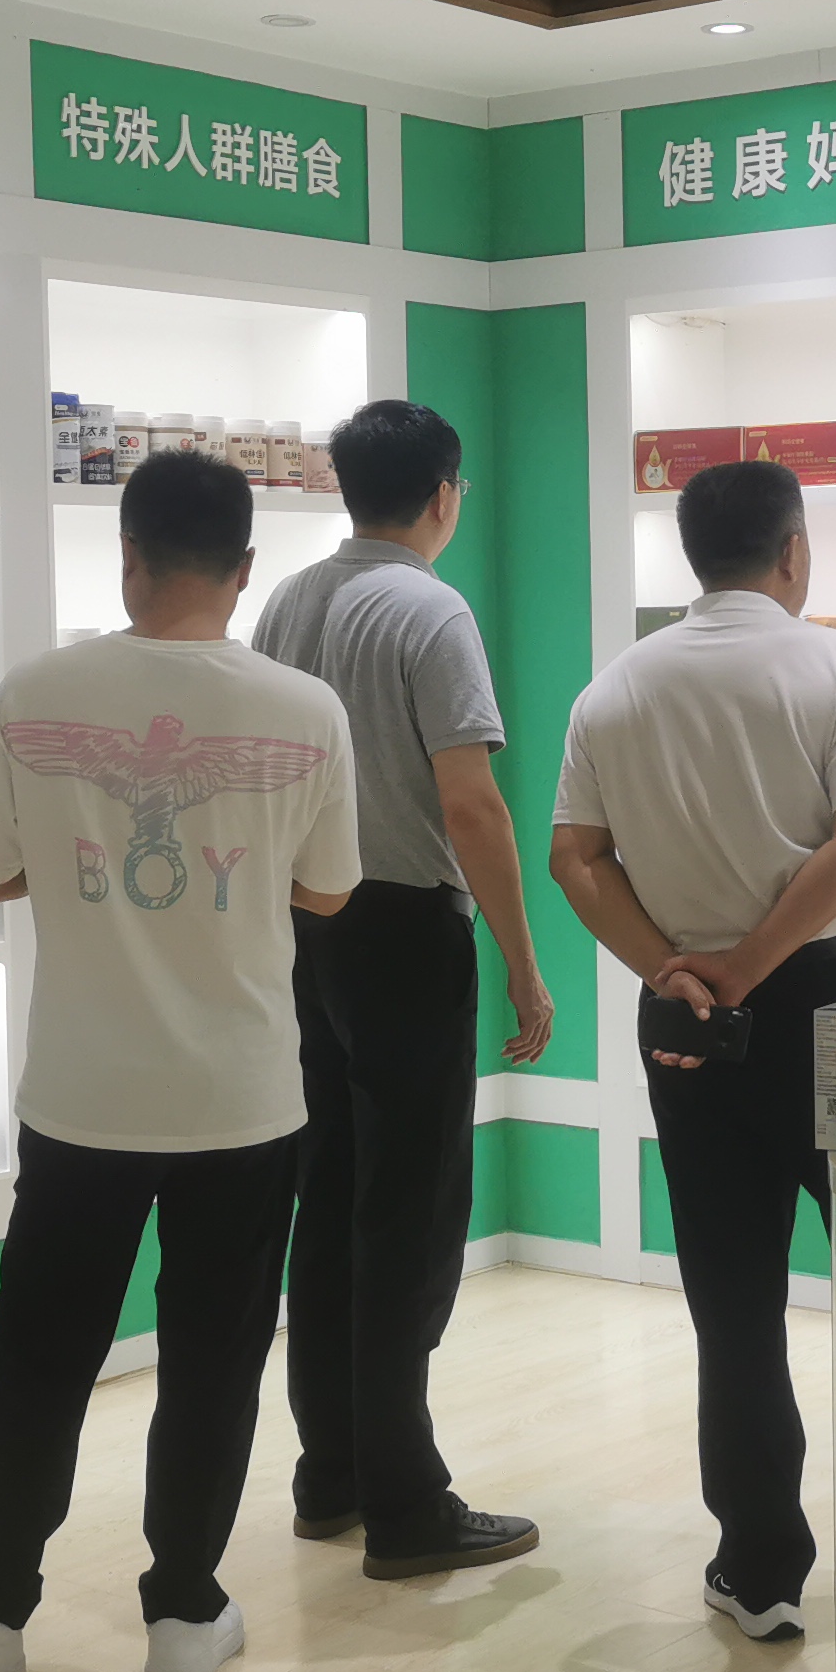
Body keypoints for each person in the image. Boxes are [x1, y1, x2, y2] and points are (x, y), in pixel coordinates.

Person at [0, 449, 359, 1672]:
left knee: (40, 1359)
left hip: (83, 1098)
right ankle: (183, 1613)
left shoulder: (39, 692)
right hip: (242, 1099)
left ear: (127, 556)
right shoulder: (305, 710)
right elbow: (329, 890)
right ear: (245, 568)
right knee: (216, 1359)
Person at [548, 460, 836, 1644]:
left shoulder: (615, 689)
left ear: (693, 556)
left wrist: (674, 971)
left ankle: (758, 1572)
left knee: (734, 1299)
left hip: (690, 1018)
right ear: (793, 552)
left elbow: (575, 858)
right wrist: (751, 964)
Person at [250, 398, 551, 1579]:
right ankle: (407, 1503)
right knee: (410, 1217)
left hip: (304, 922)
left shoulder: (286, 601)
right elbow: (470, 805)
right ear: (442, 495)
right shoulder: (431, 610)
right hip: (406, 931)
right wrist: (524, 963)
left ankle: (330, 1474)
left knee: (328, 1199)